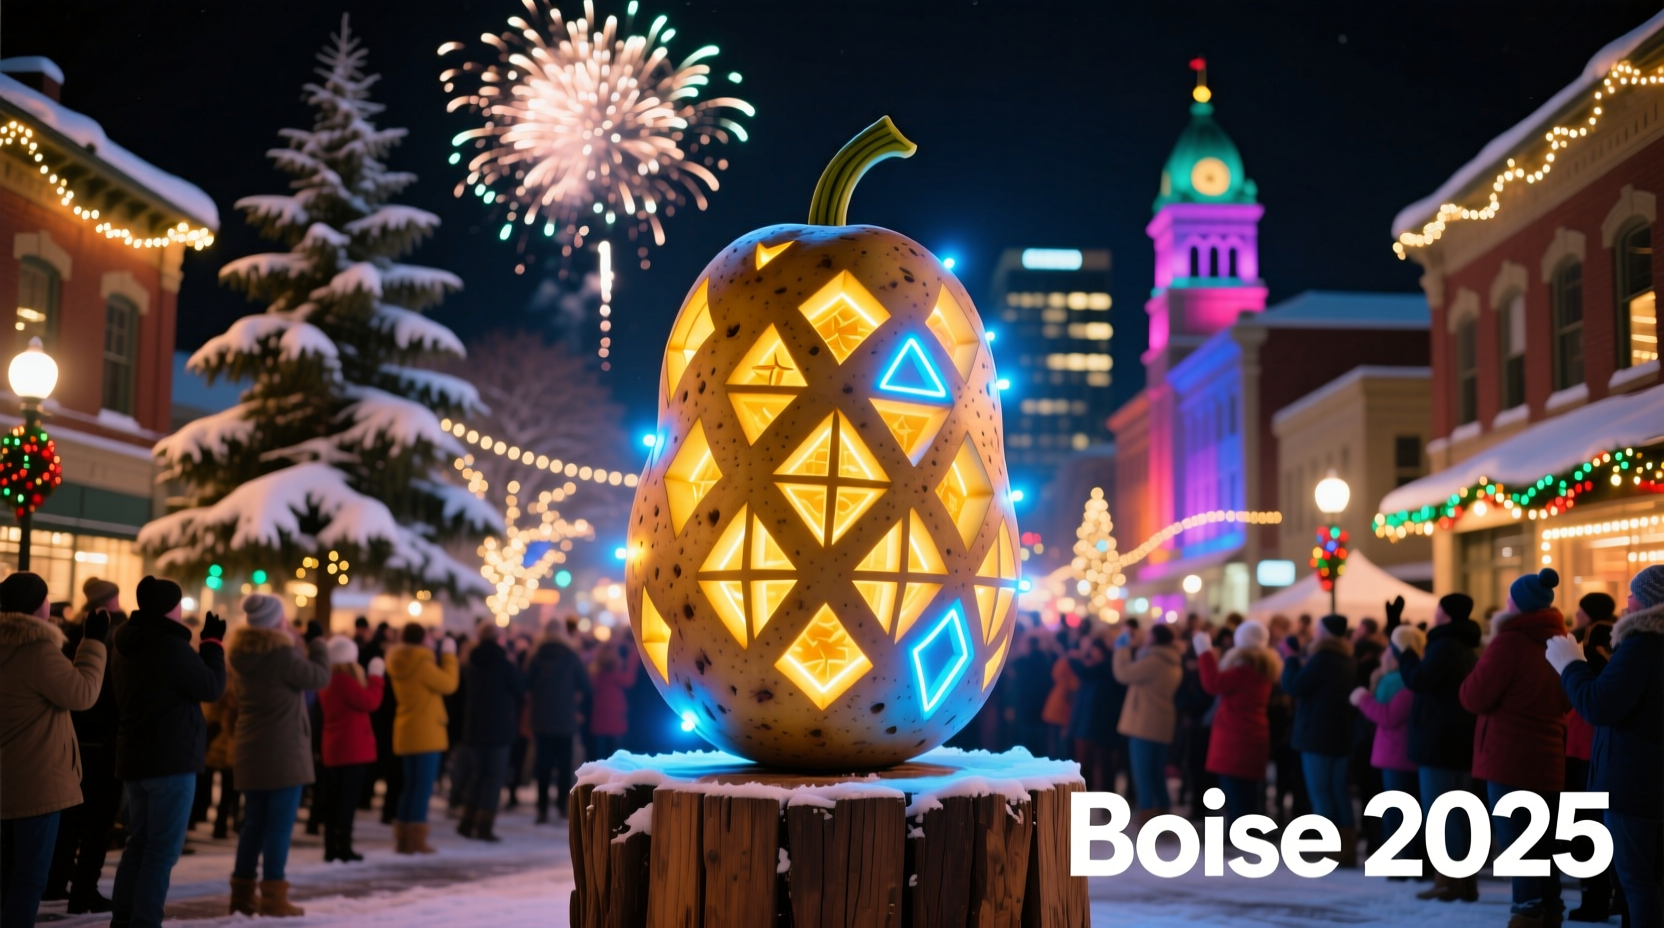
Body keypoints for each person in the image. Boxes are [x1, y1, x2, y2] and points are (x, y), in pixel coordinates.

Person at [1549, 566, 1663, 928]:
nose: (1626, 601)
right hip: (1648, 779)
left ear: (1646, 601)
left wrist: (1570, 665)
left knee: (1637, 883)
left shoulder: (1642, 644)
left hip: (1634, 783)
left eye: (1632, 593)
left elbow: (1597, 704)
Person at [111, 577, 227, 928]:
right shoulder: (169, 647)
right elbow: (211, 686)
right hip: (170, 760)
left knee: (140, 844)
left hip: (137, 757)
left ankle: (124, 918)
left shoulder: (126, 644)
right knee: (160, 851)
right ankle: (144, 921)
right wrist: (212, 645)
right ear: (169, 608)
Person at [1460, 568, 1572, 926]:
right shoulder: (1561, 641)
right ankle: (1550, 909)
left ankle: (1526, 913)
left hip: (1508, 756)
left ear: (1518, 605)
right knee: (1544, 840)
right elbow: (1568, 699)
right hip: (1550, 754)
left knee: (1518, 843)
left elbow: (1474, 696)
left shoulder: (1509, 641)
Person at [0, 572, 108, 927]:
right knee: (29, 877)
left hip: (7, 778)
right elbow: (82, 694)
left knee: (5, 874)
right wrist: (93, 643)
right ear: (39, 606)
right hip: (35, 782)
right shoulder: (37, 648)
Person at [226, 595, 331, 916]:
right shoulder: (282, 655)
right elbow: (319, 677)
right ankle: (273, 896)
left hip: (250, 748)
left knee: (254, 822)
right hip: (283, 751)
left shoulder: (240, 653)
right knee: (279, 825)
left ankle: (242, 895)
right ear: (275, 621)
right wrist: (317, 643)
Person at [42, 577, 125, 914]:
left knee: (70, 817)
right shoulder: (121, 635)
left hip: (71, 739)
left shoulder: (70, 634)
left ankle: (55, 881)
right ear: (114, 599)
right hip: (107, 739)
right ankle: (84, 890)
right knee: (99, 821)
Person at [1394, 592, 1481, 901]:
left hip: (1439, 741)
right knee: (1457, 811)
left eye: (1438, 608)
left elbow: (1418, 679)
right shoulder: (1466, 647)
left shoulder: (1444, 647)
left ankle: (1449, 880)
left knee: (1442, 811)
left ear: (1445, 613)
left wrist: (1405, 653)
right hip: (1458, 740)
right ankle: (1464, 880)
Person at [1281, 614, 1359, 866]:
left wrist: (1291, 658)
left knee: (1321, 791)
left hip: (1317, 734)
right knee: (1338, 789)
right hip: (1340, 733)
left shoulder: (1322, 659)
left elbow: (1293, 686)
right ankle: (1347, 847)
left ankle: (1332, 848)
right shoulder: (1347, 659)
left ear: (1324, 633)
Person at [1560, 592, 1619, 921]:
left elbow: (1579, 687)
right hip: (1604, 743)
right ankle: (1610, 895)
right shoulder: (1623, 636)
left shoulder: (1589, 639)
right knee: (1606, 825)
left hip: (1583, 743)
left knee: (1584, 827)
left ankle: (1594, 898)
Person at [1350, 624, 1424, 879]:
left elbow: (1385, 715)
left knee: (1396, 812)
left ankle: (1400, 864)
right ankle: (1410, 860)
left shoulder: (1394, 680)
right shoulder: (1418, 675)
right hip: (1410, 752)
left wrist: (1362, 699)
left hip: (1393, 752)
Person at [1194, 619, 1282, 822]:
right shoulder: (1263, 668)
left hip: (1235, 737)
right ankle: (1244, 830)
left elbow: (1212, 683)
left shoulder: (1244, 669)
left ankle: (1241, 832)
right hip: (1254, 734)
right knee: (1247, 790)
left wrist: (1204, 651)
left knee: (1235, 791)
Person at [388, 622, 459, 852]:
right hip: (426, 732)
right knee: (422, 787)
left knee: (410, 786)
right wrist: (449, 656)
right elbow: (449, 684)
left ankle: (403, 839)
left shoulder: (398, 660)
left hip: (406, 730)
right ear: (421, 639)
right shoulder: (421, 662)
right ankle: (416, 840)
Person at [319, 635, 384, 863]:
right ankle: (343, 847)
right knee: (346, 802)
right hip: (352, 749)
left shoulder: (327, 679)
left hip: (335, 748)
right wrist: (376, 677)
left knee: (334, 801)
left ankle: (331, 846)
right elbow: (370, 701)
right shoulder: (343, 681)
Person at [457, 623, 525, 841]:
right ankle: (484, 825)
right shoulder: (505, 664)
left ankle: (466, 821)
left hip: (474, 727)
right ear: (498, 639)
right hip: (498, 729)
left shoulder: (469, 663)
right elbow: (520, 691)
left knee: (477, 776)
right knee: (494, 778)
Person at [1112, 623, 1183, 822]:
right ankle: (1163, 809)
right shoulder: (1172, 660)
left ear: (1155, 638)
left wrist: (1122, 648)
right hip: (1162, 722)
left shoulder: (1155, 661)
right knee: (1156, 771)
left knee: (1143, 772)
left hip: (1144, 724)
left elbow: (1123, 673)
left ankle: (1148, 813)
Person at [525, 620, 590, 823]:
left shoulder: (535, 656)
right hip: (565, 719)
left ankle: (542, 808)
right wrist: (576, 706)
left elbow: (525, 684)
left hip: (541, 719)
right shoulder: (571, 656)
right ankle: (562, 806)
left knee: (543, 764)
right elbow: (586, 686)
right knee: (564, 765)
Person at [588, 641, 638, 761]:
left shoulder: (596, 677)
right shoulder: (616, 676)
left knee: (601, 753)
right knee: (616, 753)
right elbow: (630, 680)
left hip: (600, 719)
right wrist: (634, 657)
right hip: (616, 718)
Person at [1041, 632, 1080, 760]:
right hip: (1064, 710)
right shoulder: (1075, 664)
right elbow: (1074, 688)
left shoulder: (1062, 661)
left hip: (1053, 706)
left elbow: (1055, 674)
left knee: (1054, 743)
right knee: (1062, 744)